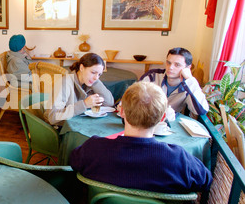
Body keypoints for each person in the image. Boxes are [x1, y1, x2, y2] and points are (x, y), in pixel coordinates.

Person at [70, 81, 212, 194]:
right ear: (162, 118)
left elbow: (73, 161)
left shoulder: (94, 148)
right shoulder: (178, 159)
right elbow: (205, 181)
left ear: (122, 112)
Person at [44, 53, 114, 126]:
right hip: (59, 128)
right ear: (81, 68)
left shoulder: (89, 81)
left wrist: (95, 82)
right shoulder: (65, 82)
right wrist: (84, 104)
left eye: (99, 74)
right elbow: (53, 117)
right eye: (93, 72)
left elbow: (109, 103)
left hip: (79, 124)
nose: (96, 77)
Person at [140, 47, 208, 116]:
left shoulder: (188, 86)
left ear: (187, 68)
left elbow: (201, 111)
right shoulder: (152, 76)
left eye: (177, 65)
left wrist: (189, 79)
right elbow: (134, 100)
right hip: (147, 118)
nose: (170, 67)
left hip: (170, 122)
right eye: (168, 63)